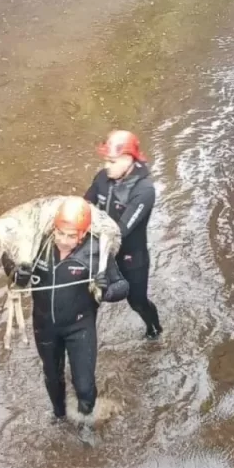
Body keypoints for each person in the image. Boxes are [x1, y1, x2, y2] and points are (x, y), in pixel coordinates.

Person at [1, 196, 129, 440]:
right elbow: (9, 264)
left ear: (83, 234)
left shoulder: (96, 251)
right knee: (52, 375)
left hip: (79, 326)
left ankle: (86, 425)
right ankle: (58, 417)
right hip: (44, 325)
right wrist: (19, 274)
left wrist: (107, 290)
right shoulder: (35, 245)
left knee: (84, 384)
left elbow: (122, 286)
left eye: (73, 236)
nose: (65, 241)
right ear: (53, 228)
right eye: (61, 233)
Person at [83, 129, 163, 340]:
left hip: (131, 256)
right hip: (101, 249)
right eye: (106, 161)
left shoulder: (144, 190)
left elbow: (120, 231)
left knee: (137, 302)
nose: (106, 166)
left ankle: (154, 331)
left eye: (112, 161)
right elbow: (85, 206)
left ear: (128, 159)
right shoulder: (102, 177)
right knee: (88, 299)